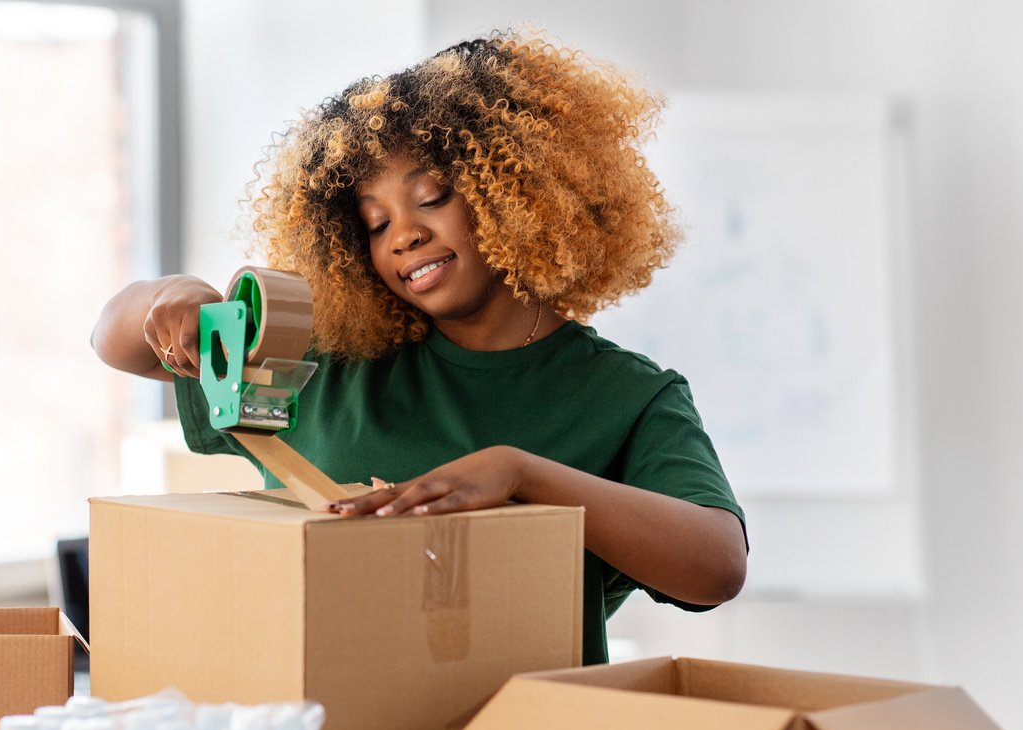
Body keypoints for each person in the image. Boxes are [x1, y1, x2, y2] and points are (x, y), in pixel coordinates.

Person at [92, 31, 747, 664]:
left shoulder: (624, 396)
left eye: (430, 197)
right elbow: (114, 343)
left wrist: (523, 475)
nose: (402, 235)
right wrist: (169, 297)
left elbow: (715, 567)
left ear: (519, 191)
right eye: (375, 223)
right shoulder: (323, 359)